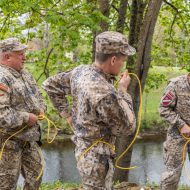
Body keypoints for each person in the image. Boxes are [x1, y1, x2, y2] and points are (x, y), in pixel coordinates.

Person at [42, 31, 136, 189]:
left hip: (85, 150)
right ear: (113, 59)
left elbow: (50, 85)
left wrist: (68, 116)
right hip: (97, 159)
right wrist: (122, 92)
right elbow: (127, 128)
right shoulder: (104, 92)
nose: (123, 65)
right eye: (123, 61)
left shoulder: (81, 71)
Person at [0, 38, 46, 190]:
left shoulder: (25, 74)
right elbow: (2, 115)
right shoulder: (2, 77)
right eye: (20, 54)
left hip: (30, 139)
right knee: (6, 184)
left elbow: (38, 94)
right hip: (8, 143)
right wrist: (26, 117)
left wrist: (41, 108)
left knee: (36, 177)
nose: (24, 57)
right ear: (7, 57)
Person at [159, 73, 190, 190]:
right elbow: (163, 109)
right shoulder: (175, 84)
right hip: (177, 136)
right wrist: (181, 125)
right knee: (172, 175)